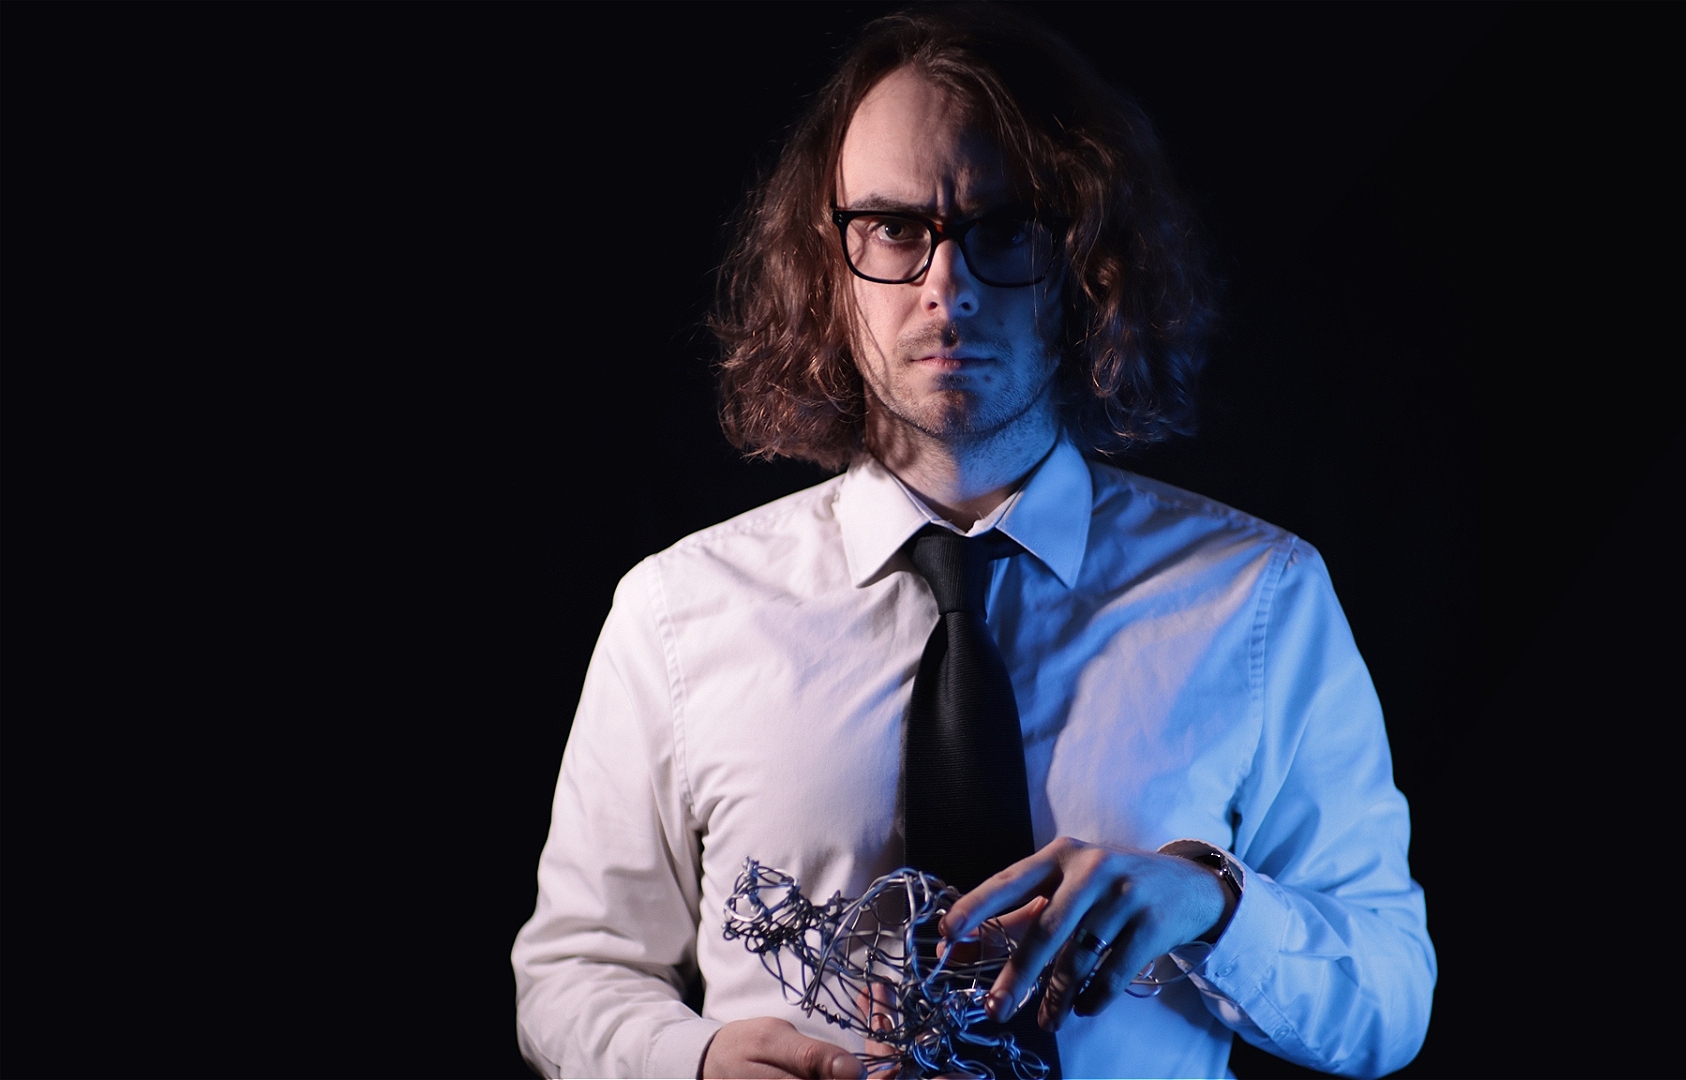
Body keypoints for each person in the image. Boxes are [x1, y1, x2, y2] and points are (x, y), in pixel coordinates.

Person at [511, 7, 1434, 1078]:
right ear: (830, 260)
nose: (944, 287)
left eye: (1003, 229)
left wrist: (1218, 903)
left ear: (1090, 262)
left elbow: (1389, 1001)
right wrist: (697, 1062)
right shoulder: (676, 615)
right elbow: (575, 970)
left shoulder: (1260, 600)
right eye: (895, 228)